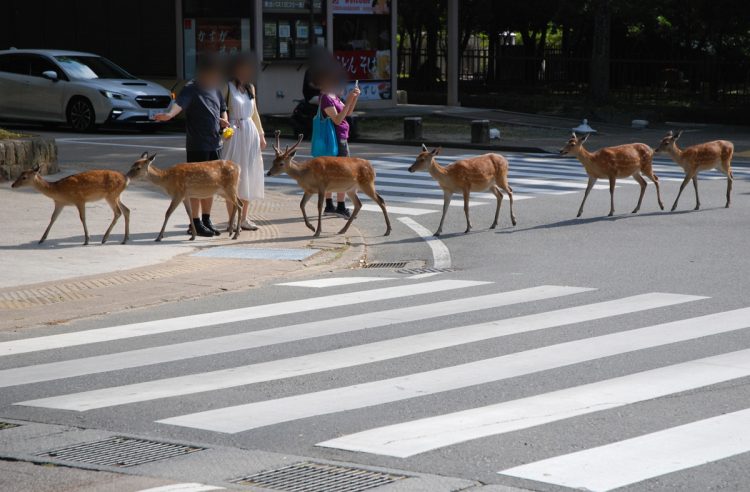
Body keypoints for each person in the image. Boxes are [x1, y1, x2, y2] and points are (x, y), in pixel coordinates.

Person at [154, 53, 229, 237]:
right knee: (195, 185)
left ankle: (206, 219)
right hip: (198, 145)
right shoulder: (191, 88)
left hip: (215, 144)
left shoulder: (216, 88)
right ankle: (194, 223)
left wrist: (224, 122)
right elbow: (179, 105)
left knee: (211, 184)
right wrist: (169, 115)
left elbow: (222, 109)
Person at [221, 53, 267, 231]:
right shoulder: (226, 87)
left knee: (249, 175)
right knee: (232, 177)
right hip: (233, 133)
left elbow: (255, 113)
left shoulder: (250, 88)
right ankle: (232, 219)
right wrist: (223, 128)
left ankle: (244, 218)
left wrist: (261, 134)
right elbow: (220, 108)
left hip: (250, 133)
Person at [316, 66, 361, 217]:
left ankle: (329, 206)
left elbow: (348, 113)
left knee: (333, 172)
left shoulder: (333, 96)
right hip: (335, 139)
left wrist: (353, 99)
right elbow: (337, 120)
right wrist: (348, 100)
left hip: (340, 137)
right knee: (343, 173)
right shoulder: (326, 97)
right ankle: (340, 207)